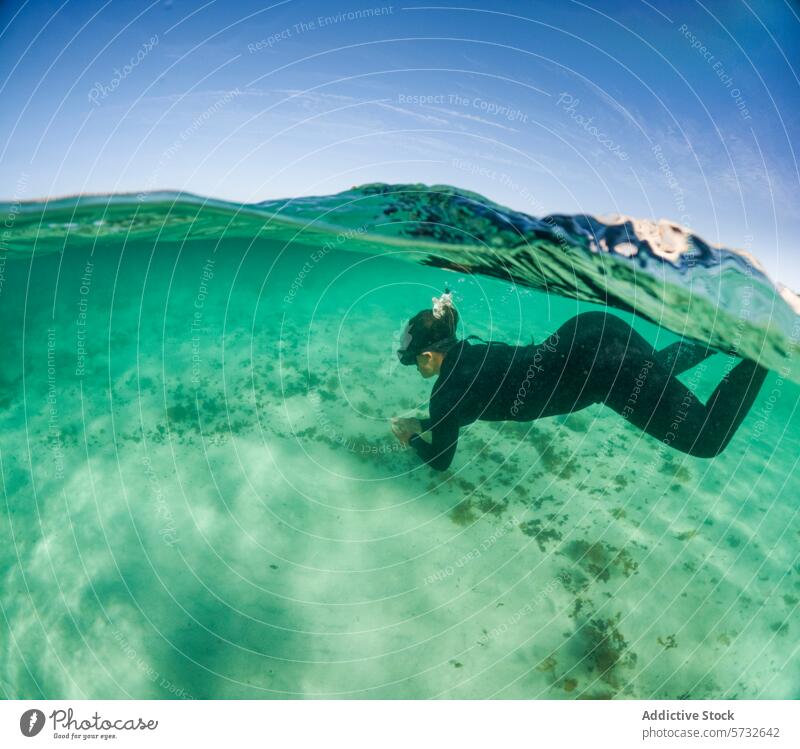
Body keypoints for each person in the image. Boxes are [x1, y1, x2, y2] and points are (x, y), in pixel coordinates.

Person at [391, 291, 768, 471]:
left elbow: (441, 460)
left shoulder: (446, 394)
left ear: (427, 356)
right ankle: (722, 338)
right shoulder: (473, 352)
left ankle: (764, 354)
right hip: (593, 330)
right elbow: (464, 411)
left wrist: (410, 436)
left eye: (415, 364)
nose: (418, 371)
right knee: (648, 371)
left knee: (706, 441)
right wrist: (425, 423)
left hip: (600, 368)